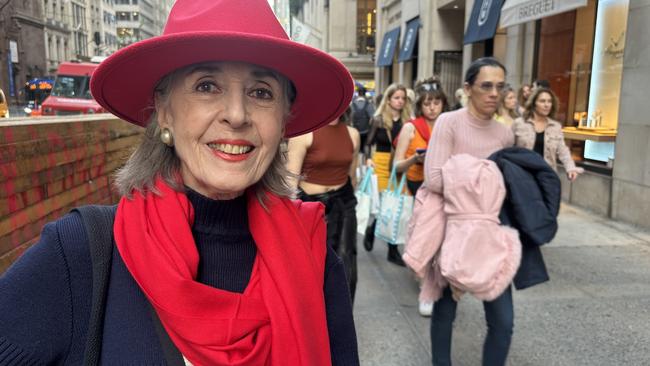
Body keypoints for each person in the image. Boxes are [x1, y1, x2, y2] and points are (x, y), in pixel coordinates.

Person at [0, 1, 359, 365]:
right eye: (207, 86)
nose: (236, 115)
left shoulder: (316, 262)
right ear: (165, 110)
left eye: (261, 92)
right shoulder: (79, 254)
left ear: (283, 121)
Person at [421, 57, 515, 366]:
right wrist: (482, 186)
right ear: (467, 88)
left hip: (489, 233)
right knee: (445, 311)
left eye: (500, 87)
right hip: (453, 230)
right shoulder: (450, 122)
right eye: (485, 86)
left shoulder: (505, 135)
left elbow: (504, 189)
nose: (493, 93)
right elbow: (433, 178)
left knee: (503, 322)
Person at [286, 106, 361, 303]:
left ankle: (341, 320)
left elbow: (352, 175)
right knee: (311, 267)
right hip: (311, 207)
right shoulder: (304, 134)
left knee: (346, 263)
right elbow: (290, 182)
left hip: (344, 204)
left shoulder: (352, 134)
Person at [362, 83, 412, 265]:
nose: (400, 101)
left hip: (399, 164)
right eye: (396, 97)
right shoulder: (379, 119)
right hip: (382, 163)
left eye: (403, 98)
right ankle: (372, 230)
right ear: (389, 99)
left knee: (397, 204)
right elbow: (368, 143)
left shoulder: (408, 121)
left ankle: (393, 249)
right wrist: (368, 159)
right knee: (385, 205)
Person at [512, 87, 583, 181]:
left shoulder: (555, 126)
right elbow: (508, 148)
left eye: (549, 101)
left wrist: (570, 168)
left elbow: (563, 151)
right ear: (534, 104)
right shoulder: (519, 123)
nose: (547, 105)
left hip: (547, 176)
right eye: (542, 101)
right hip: (522, 176)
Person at [394, 78, 448, 196]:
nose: (432, 108)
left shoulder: (448, 127)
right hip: (414, 187)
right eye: (427, 104)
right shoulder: (410, 128)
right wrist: (414, 159)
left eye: (437, 103)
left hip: (442, 186)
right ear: (420, 106)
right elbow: (396, 166)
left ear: (443, 104)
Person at [350, 86, 375, 152]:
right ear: (365, 93)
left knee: (355, 149)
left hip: (354, 131)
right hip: (366, 131)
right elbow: (372, 117)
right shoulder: (369, 104)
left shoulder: (352, 104)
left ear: (358, 93)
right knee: (366, 148)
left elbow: (350, 117)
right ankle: (366, 160)